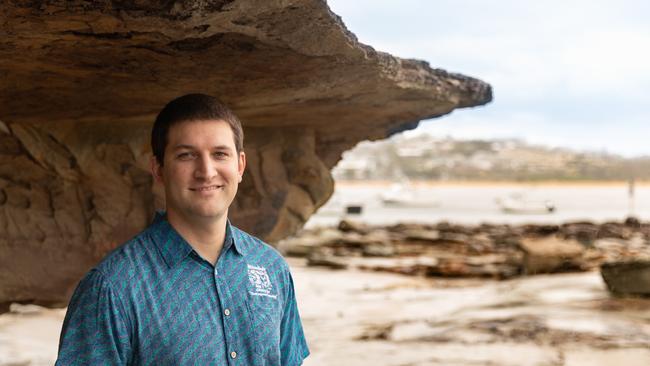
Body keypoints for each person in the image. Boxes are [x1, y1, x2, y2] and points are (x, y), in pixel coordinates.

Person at [56, 94, 310, 365]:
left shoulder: (272, 268)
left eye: (220, 154)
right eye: (186, 155)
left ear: (240, 166)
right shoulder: (112, 288)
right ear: (158, 169)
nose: (206, 171)